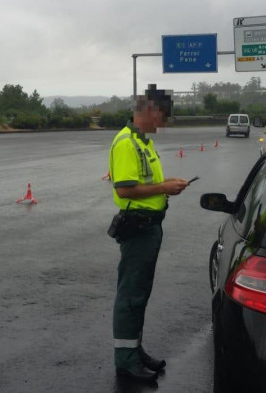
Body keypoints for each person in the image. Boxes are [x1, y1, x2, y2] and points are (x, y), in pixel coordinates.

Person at [107, 84, 190, 384]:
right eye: (163, 116)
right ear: (150, 110)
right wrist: (164, 188)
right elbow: (125, 188)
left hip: (150, 225)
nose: (163, 124)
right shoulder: (127, 143)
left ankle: (134, 350)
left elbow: (146, 183)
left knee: (140, 293)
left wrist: (168, 183)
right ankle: (125, 361)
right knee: (130, 295)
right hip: (138, 226)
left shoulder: (142, 142)